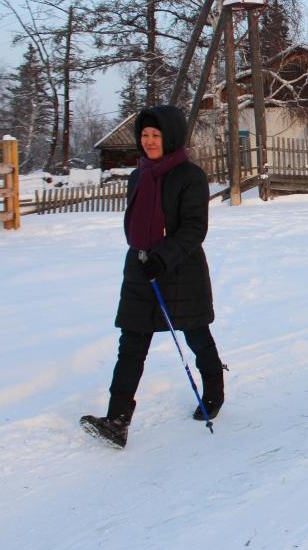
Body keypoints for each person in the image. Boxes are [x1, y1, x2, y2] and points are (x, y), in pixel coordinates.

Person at [81, 105, 225, 447]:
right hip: (140, 268)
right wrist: (143, 257)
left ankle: (214, 391)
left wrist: (162, 257)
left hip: (180, 268)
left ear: (170, 137)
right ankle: (117, 420)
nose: (148, 141)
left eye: (155, 135)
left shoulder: (190, 176)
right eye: (144, 135)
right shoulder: (138, 175)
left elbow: (194, 229)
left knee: (196, 336)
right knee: (131, 344)